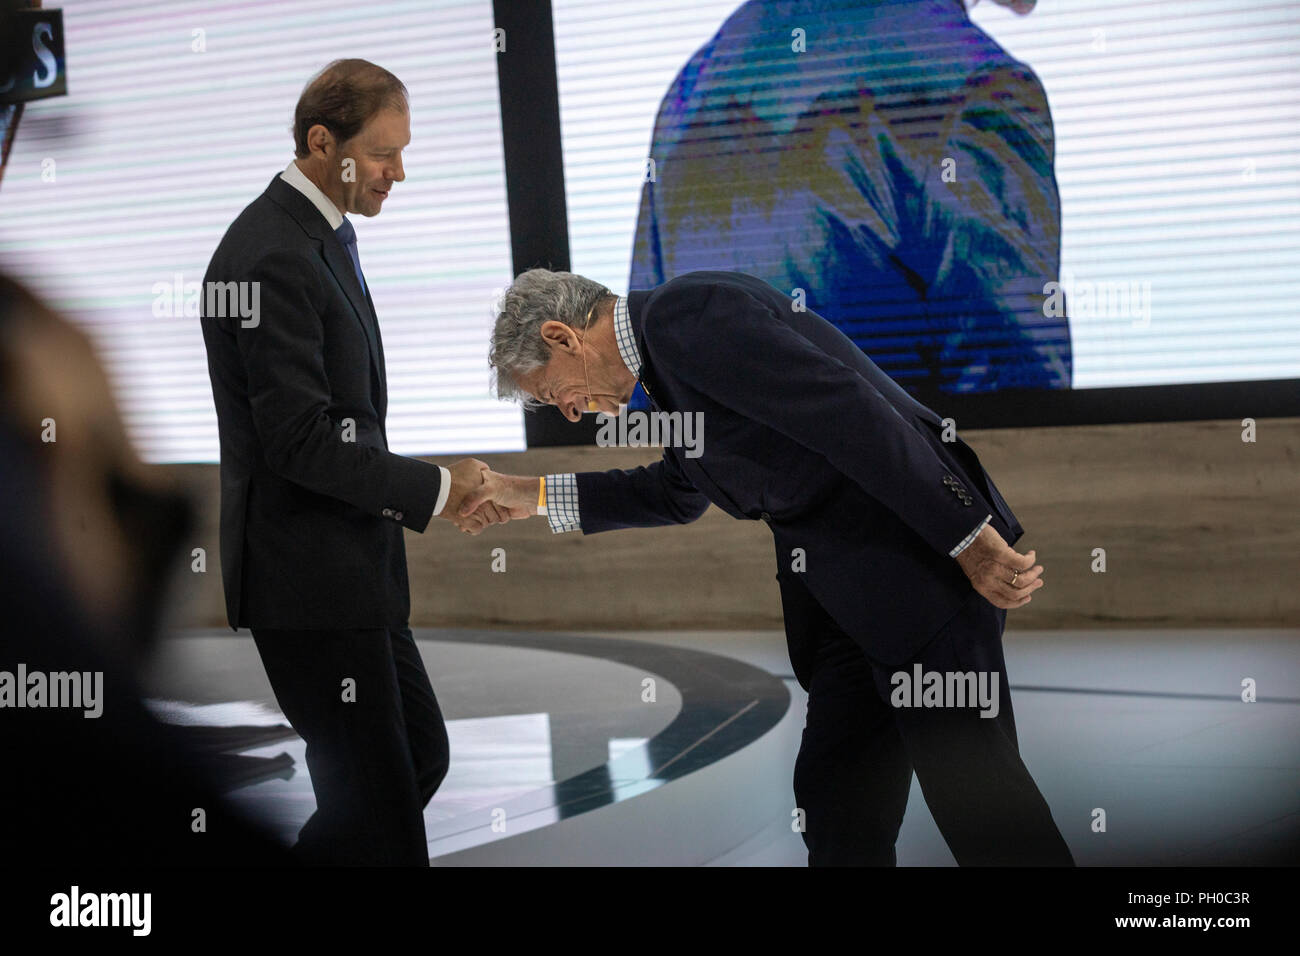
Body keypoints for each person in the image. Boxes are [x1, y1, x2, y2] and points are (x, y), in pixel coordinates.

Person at [465, 267, 1075, 865]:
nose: (573, 413)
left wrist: (965, 535)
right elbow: (676, 495)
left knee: (981, 802)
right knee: (836, 803)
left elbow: (849, 411)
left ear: (561, 337)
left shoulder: (686, 316)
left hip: (917, 566)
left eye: (554, 394)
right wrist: (527, 495)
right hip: (848, 601)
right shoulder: (665, 368)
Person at [199, 59, 517, 865]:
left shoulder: (318, 235)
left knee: (412, 763)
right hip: (308, 584)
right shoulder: (271, 254)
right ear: (321, 142)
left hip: (350, 574)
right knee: (381, 809)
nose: (397, 173)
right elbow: (301, 441)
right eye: (383, 154)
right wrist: (440, 489)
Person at [628, 0, 1070, 401]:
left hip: (734, 486)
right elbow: (1017, 402)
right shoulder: (981, 82)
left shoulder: (693, 87)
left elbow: (650, 371)